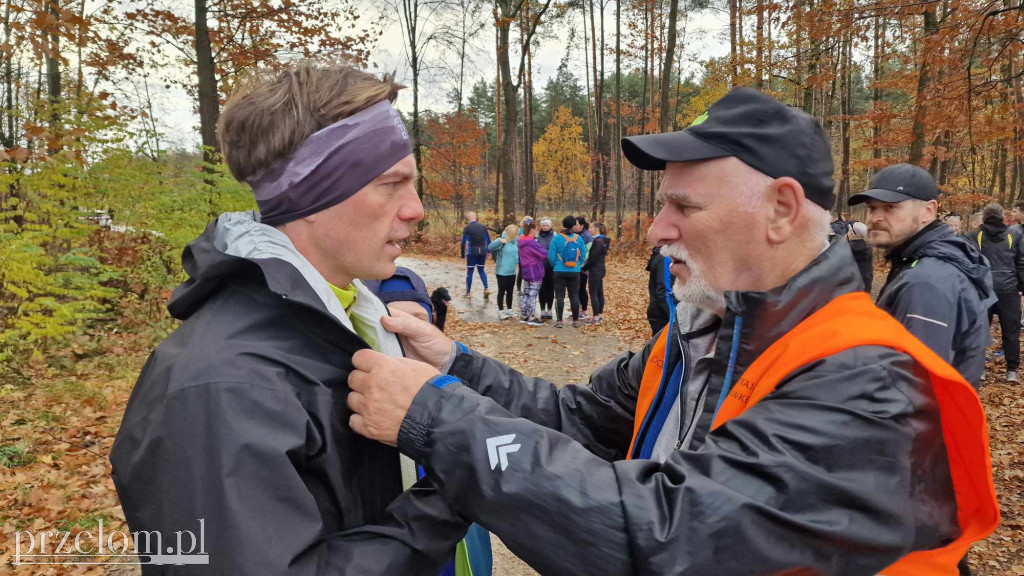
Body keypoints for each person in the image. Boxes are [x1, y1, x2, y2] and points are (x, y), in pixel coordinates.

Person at [344, 87, 998, 576]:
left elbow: (666, 534)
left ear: (781, 210)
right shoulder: (703, 331)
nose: (657, 231)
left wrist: (437, 418)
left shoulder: (869, 382)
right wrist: (454, 364)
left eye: (683, 206)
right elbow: (577, 420)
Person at [109, 62, 468, 575]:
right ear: (311, 196)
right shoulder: (221, 387)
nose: (415, 209)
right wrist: (451, 494)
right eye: (392, 184)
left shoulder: (353, 322)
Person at [849, 162, 995, 391]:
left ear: (928, 211)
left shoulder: (928, 281)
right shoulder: (918, 263)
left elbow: (915, 388)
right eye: (872, 208)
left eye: (889, 208)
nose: (874, 218)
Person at [969, 203, 1024, 382]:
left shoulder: (974, 235)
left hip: (983, 291)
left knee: (980, 331)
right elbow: (1021, 263)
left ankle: (980, 369)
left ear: (984, 216)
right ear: (1002, 216)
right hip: (1008, 291)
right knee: (1011, 331)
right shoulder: (1014, 234)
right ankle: (1012, 371)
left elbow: (968, 263)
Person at [548, 215, 588, 328]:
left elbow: (551, 256)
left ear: (563, 224)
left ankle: (560, 321)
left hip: (559, 270)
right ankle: (575, 320)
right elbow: (583, 255)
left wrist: (556, 265)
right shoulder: (578, 238)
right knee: (574, 296)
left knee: (559, 296)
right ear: (573, 226)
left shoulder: (556, 238)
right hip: (574, 271)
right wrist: (577, 265)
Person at [517, 221, 547, 325]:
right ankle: (531, 316)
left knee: (526, 292)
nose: (537, 231)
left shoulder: (521, 241)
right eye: (536, 229)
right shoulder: (532, 243)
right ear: (532, 230)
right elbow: (543, 254)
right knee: (532, 294)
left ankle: (524, 314)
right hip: (534, 270)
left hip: (525, 270)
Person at [488, 224, 520, 320]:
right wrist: (500, 242)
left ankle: (509, 310)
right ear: (510, 233)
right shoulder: (501, 240)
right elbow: (490, 247)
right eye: (515, 233)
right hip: (502, 271)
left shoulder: (515, 242)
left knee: (510, 291)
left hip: (512, 271)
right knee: (502, 291)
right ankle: (501, 311)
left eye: (516, 233)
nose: (516, 235)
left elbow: (516, 255)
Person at [582, 222, 610, 324]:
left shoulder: (598, 241)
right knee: (599, 292)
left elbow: (593, 257)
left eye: (590, 227)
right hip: (600, 269)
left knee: (594, 293)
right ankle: (599, 315)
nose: (589, 230)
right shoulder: (603, 240)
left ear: (597, 229)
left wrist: (585, 267)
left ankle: (596, 317)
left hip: (595, 270)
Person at [461, 212, 490, 298]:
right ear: (476, 218)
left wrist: (462, 254)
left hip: (472, 251)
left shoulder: (467, 228)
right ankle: (486, 288)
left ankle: (468, 293)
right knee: (481, 270)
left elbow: (463, 242)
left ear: (468, 219)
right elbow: (487, 239)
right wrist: (488, 251)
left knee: (470, 272)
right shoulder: (482, 227)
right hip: (482, 251)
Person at [645, 245, 671, 335]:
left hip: (660, 312)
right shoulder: (665, 258)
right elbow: (663, 291)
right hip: (662, 315)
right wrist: (673, 316)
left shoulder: (663, 256)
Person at [536, 218, 556, 319]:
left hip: (552, 266)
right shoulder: (537, 235)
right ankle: (542, 309)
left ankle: (550, 309)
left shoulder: (555, 235)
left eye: (547, 225)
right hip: (540, 265)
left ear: (550, 226)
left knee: (550, 288)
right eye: (543, 225)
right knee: (542, 288)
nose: (545, 227)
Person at [846, 221, 874, 292]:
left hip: (848, 288)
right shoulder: (868, 248)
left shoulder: (845, 248)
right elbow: (869, 270)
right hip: (864, 287)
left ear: (853, 233)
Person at [576, 215, 594, 319]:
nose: (574, 226)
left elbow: (588, 253)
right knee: (575, 288)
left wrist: (583, 264)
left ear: (582, 225)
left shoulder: (587, 237)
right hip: (575, 266)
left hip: (582, 266)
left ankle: (583, 310)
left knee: (581, 288)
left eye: (576, 224)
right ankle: (577, 309)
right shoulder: (574, 234)